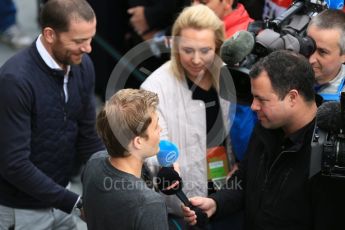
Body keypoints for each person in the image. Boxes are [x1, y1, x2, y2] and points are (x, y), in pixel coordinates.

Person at [182, 50, 345, 229]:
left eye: (261, 99)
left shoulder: (329, 154)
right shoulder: (266, 127)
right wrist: (216, 203)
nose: (253, 106)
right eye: (253, 97)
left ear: (292, 97)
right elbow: (245, 179)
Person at [0, 0, 104, 229]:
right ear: (49, 34)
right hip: (23, 212)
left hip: (61, 196)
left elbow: (88, 136)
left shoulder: (83, 65)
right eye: (79, 41)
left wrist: (117, 175)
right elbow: (14, 164)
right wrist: (74, 203)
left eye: (90, 38)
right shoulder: (15, 81)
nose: (88, 48)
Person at [141, 4, 235, 229]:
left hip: (225, 198)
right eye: (187, 50)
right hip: (182, 206)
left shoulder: (229, 76)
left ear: (218, 46)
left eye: (205, 50)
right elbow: (149, 147)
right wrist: (166, 170)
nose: (195, 60)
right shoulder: (155, 87)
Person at [82, 88, 168, 230]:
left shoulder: (93, 162)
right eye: (156, 126)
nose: (160, 129)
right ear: (138, 141)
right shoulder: (149, 204)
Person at [307, 9, 345, 102]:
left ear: (343, 56)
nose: (311, 60)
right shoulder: (287, 72)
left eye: (322, 52)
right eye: (309, 46)